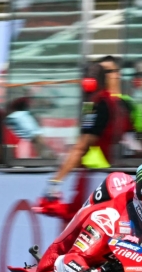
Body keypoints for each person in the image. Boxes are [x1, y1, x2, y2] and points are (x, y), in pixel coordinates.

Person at [43, 61, 131, 199]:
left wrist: (56, 182)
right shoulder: (117, 103)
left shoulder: (95, 103)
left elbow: (82, 146)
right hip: (114, 178)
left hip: (97, 177)